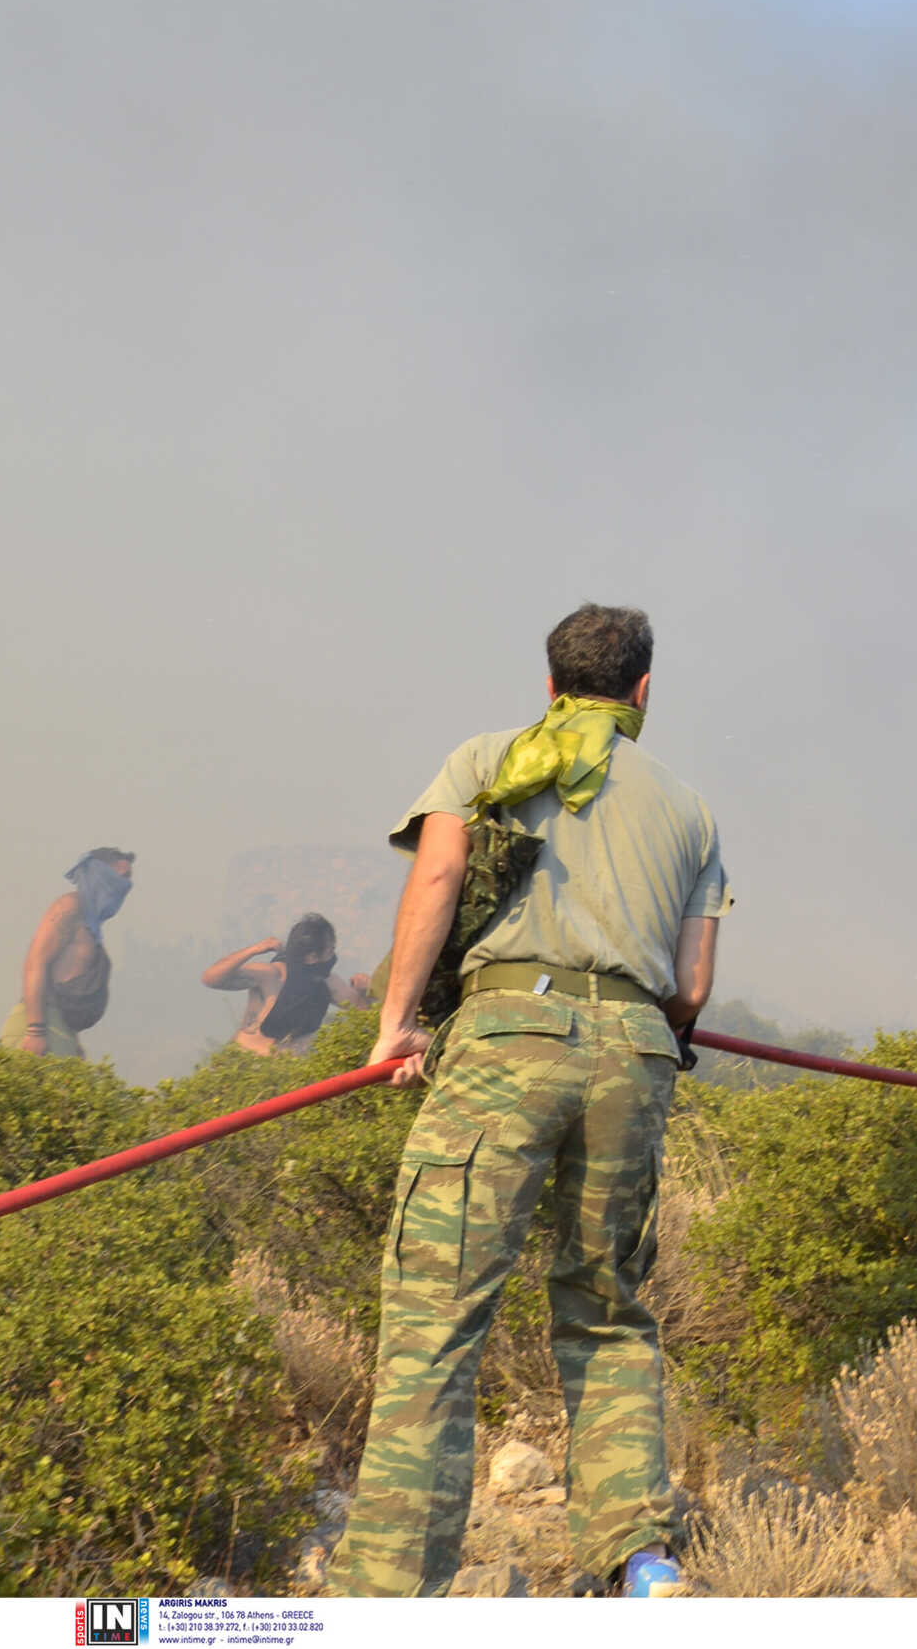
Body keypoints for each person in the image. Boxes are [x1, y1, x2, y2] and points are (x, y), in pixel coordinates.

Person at [328, 604, 731, 1601]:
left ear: (549, 684)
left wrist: (397, 1025)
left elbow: (439, 877)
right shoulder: (689, 811)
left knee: (437, 1311)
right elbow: (690, 988)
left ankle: (383, 1591)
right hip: (634, 1054)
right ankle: (642, 1561)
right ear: (643, 691)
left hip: (509, 1039)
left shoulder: (485, 760)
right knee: (606, 1310)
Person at [4, 848, 135, 1057]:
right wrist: (35, 1030)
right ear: (99, 874)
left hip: (60, 1029)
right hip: (39, 1026)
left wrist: (72, 1040)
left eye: (128, 878)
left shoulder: (91, 926)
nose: (125, 885)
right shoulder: (69, 907)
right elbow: (34, 963)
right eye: (119, 876)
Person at [202, 913, 372, 1055]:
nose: (333, 955)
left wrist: (365, 990)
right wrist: (255, 949)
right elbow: (211, 978)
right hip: (243, 1065)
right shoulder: (270, 975)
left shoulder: (329, 983)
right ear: (311, 957)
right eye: (330, 950)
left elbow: (364, 1014)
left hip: (285, 1075)